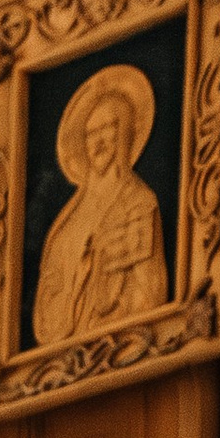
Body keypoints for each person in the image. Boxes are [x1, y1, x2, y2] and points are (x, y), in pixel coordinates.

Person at [33, 63, 168, 344]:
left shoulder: (138, 203)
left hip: (119, 343)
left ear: (125, 132)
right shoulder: (68, 219)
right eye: (91, 133)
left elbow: (150, 295)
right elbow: (49, 294)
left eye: (108, 128)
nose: (98, 141)